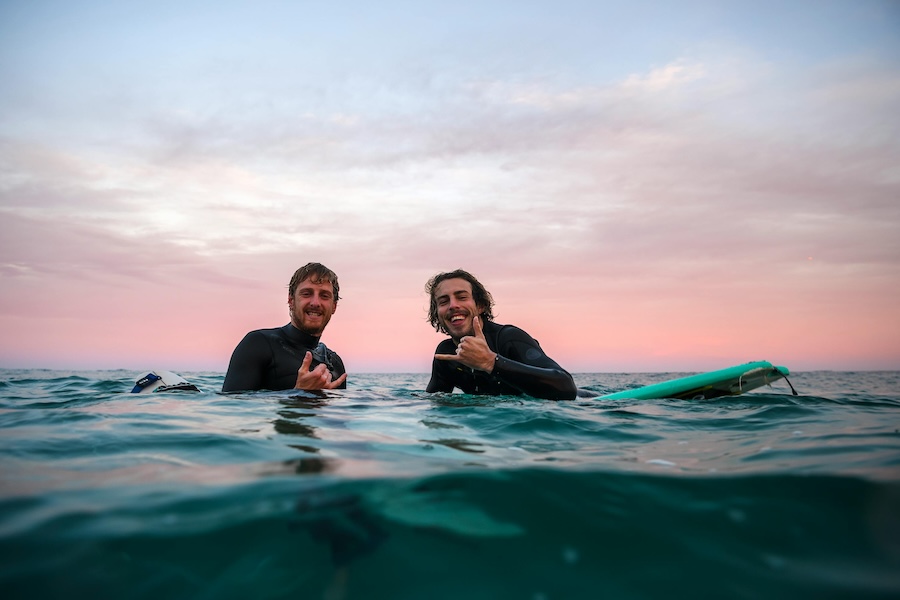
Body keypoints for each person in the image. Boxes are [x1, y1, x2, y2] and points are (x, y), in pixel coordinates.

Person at [424, 269, 578, 400]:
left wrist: (491, 362)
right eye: (443, 301)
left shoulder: (508, 338)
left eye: (462, 297)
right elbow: (433, 400)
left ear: (480, 306)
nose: (453, 305)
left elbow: (566, 387)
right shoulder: (446, 354)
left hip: (585, 403)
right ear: (437, 314)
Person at [222, 262, 347, 393]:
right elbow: (231, 408)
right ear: (291, 301)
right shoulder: (258, 344)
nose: (315, 303)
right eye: (306, 294)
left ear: (334, 306)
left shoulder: (335, 364)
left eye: (324, 296)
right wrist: (300, 392)